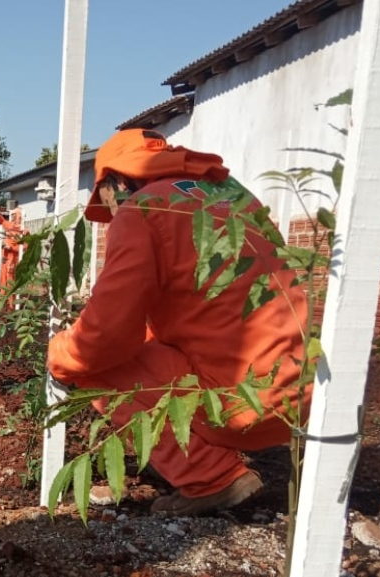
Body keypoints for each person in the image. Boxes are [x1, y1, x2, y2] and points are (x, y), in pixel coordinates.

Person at [47, 128, 311, 516]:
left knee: (93, 367)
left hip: (244, 405)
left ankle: (213, 478)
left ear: (115, 182)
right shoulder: (236, 198)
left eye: (105, 198)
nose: (110, 212)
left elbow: (104, 337)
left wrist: (60, 353)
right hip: (305, 396)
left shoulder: (143, 210)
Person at [0, 203, 28, 288]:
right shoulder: (10, 226)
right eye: (13, 215)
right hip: (5, 259)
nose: (14, 218)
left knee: (11, 283)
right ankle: (2, 300)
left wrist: (11, 248)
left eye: (16, 215)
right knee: (3, 281)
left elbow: (25, 247)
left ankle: (11, 301)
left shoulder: (24, 232)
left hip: (14, 261)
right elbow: (2, 221)